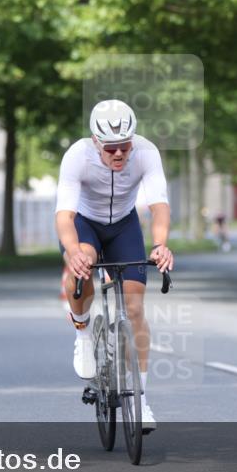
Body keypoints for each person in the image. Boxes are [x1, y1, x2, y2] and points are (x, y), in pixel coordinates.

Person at [55, 99, 174, 431]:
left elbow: (159, 205)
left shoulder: (147, 152)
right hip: (84, 223)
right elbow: (64, 215)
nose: (119, 153)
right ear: (96, 141)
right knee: (82, 264)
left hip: (123, 225)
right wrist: (73, 251)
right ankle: (82, 333)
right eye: (110, 148)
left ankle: (141, 401)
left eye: (125, 146)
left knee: (134, 308)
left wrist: (160, 244)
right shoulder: (77, 156)